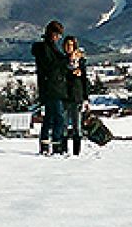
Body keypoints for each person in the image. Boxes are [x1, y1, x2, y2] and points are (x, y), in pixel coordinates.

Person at [31, 20, 70, 155]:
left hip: (52, 88)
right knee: (58, 118)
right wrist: (66, 60)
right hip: (52, 88)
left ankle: (45, 145)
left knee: (49, 118)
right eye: (58, 34)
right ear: (52, 33)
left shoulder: (49, 47)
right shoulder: (45, 49)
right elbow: (51, 66)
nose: (59, 38)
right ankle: (56, 144)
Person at [62, 35, 89, 156]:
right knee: (63, 127)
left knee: (77, 127)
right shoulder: (61, 60)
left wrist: (86, 97)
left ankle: (76, 153)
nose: (69, 47)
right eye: (67, 45)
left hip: (77, 96)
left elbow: (84, 80)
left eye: (71, 45)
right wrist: (72, 74)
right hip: (64, 96)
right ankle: (63, 151)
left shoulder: (81, 61)